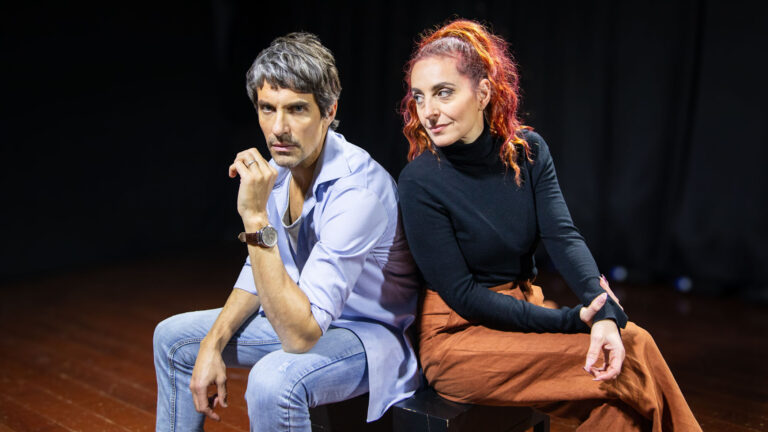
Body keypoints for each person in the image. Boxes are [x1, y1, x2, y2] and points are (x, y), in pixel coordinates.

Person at [397, 19, 701, 431]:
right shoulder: (419, 181)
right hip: (458, 339)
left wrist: (601, 305)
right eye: (419, 97)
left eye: (443, 92)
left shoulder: (528, 151)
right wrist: (577, 319)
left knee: (621, 407)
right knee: (633, 346)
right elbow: (465, 296)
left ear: (483, 93)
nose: (429, 111)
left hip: (523, 310)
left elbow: (563, 236)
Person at [153, 32, 421, 431]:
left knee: (272, 380)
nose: (278, 128)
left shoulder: (359, 192)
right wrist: (212, 342)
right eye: (267, 108)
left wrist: (254, 218)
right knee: (172, 340)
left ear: (329, 111)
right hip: (302, 313)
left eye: (297, 109)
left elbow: (299, 337)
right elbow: (258, 271)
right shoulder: (280, 168)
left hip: (365, 334)